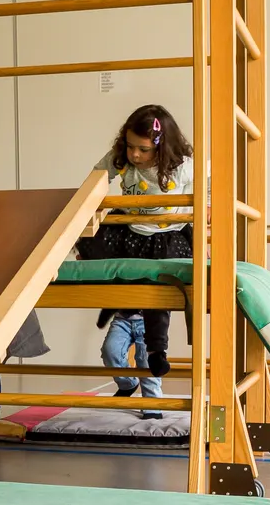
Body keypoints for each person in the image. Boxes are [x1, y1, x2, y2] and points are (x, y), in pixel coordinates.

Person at [80, 104, 196, 378]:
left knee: (156, 282)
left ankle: (157, 349)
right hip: (130, 230)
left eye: (144, 150)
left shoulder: (180, 166)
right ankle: (118, 301)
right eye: (131, 145)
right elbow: (95, 180)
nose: (135, 154)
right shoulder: (122, 157)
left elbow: (213, 181)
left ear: (161, 147)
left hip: (166, 236)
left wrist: (207, 208)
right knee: (87, 239)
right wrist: (89, 202)